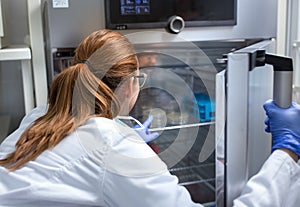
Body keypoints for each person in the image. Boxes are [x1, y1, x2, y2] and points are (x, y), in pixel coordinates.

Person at [0, 29, 299, 207]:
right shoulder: (114, 148)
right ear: (131, 84)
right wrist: (286, 151)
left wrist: (121, 134)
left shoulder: (38, 116)